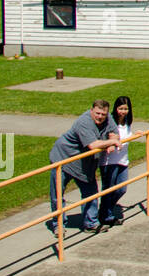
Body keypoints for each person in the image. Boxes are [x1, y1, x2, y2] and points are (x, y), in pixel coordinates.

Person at [46, 98, 120, 234]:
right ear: (91, 110)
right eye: (97, 113)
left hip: (84, 163)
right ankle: (59, 225)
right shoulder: (83, 122)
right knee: (57, 193)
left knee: (91, 193)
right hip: (63, 159)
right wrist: (111, 142)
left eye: (103, 114)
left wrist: (112, 141)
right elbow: (93, 145)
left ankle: (91, 224)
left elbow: (114, 133)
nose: (100, 117)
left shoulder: (108, 118)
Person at [98, 96, 133, 226]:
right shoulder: (110, 122)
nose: (123, 112)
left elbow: (125, 137)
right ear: (115, 108)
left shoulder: (127, 123)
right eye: (120, 108)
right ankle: (106, 215)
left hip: (123, 160)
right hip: (109, 162)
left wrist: (135, 135)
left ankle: (105, 210)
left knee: (121, 189)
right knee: (109, 189)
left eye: (125, 109)